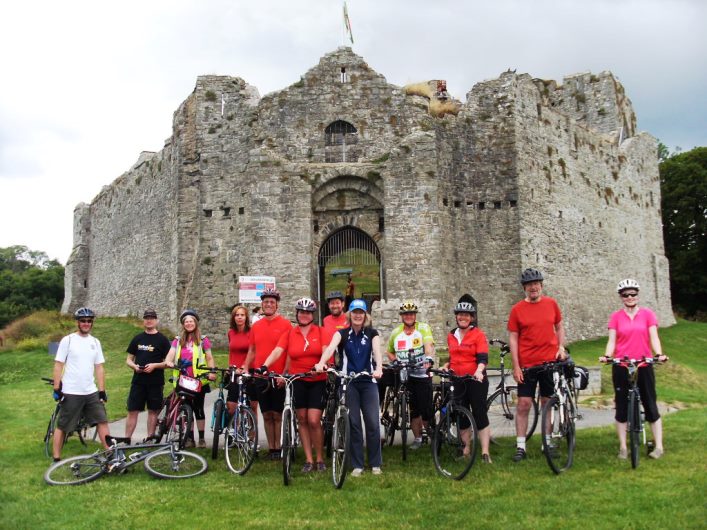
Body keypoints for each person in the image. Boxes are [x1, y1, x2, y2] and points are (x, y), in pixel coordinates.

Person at [261, 297, 332, 472]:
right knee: (302, 419)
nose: (304, 315)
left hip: (317, 380)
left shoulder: (321, 332)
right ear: (297, 314)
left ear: (312, 315)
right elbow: (278, 351)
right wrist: (265, 365)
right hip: (297, 379)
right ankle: (308, 459)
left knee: (314, 420)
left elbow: (326, 351)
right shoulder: (291, 333)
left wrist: (321, 365)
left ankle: (320, 458)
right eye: (301, 312)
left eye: (308, 313)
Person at [600, 279, 668, 459]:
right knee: (621, 406)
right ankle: (623, 447)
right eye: (626, 295)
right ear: (621, 297)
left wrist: (659, 353)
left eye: (633, 294)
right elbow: (612, 341)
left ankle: (659, 446)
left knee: (650, 404)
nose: (630, 297)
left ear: (637, 295)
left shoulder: (647, 315)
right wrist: (607, 356)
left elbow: (654, 337)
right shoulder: (616, 317)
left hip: (643, 364)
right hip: (622, 365)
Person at [316, 299, 384, 476]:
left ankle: (376, 462)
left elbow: (377, 352)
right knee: (353, 423)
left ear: (365, 315)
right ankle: (357, 464)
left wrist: (378, 368)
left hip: (368, 381)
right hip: (349, 382)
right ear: (350, 314)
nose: (358, 315)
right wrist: (321, 362)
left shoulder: (372, 333)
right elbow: (330, 348)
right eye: (355, 312)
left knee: (372, 422)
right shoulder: (342, 334)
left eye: (361, 312)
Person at [508, 268, 567, 462]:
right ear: (524, 288)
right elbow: (513, 338)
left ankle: (547, 442)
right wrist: (516, 366)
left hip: (549, 362)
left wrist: (561, 347)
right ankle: (520, 446)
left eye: (536, 284)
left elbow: (559, 326)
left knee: (546, 402)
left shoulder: (551, 304)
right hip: (527, 364)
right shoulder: (517, 310)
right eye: (529, 285)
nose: (533, 288)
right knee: (524, 404)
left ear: (541, 286)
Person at [51, 307, 110, 461]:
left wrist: (101, 390)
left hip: (90, 391)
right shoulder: (68, 340)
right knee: (63, 425)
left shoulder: (95, 342)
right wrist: (57, 387)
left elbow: (99, 367)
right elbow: (58, 364)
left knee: (102, 421)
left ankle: (110, 453)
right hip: (71, 391)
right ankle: (56, 458)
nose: (86, 323)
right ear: (77, 322)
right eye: (83, 321)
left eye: (89, 321)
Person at [243, 288, 292, 459]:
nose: (269, 305)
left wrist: (285, 374)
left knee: (277, 414)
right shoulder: (256, 326)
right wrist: (245, 367)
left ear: (277, 304)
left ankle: (278, 447)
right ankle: (271, 448)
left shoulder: (286, 325)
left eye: (272, 302)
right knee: (266, 413)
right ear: (262, 305)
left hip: (277, 375)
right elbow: (252, 350)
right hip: (260, 376)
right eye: (266, 302)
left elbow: (288, 352)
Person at [445, 295, 492, 462]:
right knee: (462, 415)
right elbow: (453, 357)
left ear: (471, 318)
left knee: (479, 413)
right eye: (460, 314)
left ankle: (485, 452)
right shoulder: (451, 335)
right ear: (456, 316)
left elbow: (482, 358)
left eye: (466, 315)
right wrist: (446, 365)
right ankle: (466, 450)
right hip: (457, 379)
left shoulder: (478, 335)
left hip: (475, 380)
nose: (463, 317)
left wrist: (479, 371)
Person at [164, 309, 216, 448]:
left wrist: (212, 371)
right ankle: (189, 438)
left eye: (191, 321)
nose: (188, 323)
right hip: (183, 380)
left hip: (199, 380)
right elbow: (171, 354)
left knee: (198, 409)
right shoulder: (177, 340)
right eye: (186, 321)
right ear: (183, 324)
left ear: (196, 323)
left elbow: (209, 357)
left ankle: (202, 438)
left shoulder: (203, 340)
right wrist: (169, 361)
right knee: (187, 410)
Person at [386, 300, 435, 450]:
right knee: (413, 408)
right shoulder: (396, 333)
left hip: (422, 373)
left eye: (411, 314)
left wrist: (428, 358)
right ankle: (418, 438)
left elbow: (429, 346)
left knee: (426, 409)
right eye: (406, 314)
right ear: (402, 316)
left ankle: (433, 435)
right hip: (406, 374)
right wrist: (395, 361)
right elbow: (389, 351)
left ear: (415, 315)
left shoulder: (423, 328)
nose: (409, 316)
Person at [124, 309, 171, 441]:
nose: (149, 320)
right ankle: (126, 439)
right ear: (143, 321)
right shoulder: (137, 338)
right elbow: (128, 359)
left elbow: (169, 362)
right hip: (138, 381)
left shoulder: (162, 340)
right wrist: (134, 367)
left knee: (153, 411)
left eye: (151, 318)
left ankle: (150, 438)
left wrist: (155, 365)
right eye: (146, 318)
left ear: (156, 320)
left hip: (155, 382)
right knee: (132, 410)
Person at [227, 305, 255, 420]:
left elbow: (253, 351)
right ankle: (234, 427)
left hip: (249, 369)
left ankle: (252, 433)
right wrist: (230, 367)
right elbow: (231, 352)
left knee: (253, 404)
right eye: (237, 315)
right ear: (233, 318)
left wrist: (244, 366)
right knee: (231, 405)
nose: (239, 317)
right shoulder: (231, 333)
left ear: (246, 317)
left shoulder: (252, 332)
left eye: (242, 315)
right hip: (235, 371)